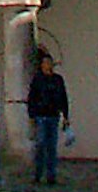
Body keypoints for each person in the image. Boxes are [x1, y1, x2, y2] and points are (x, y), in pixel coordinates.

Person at [27, 54, 70, 185]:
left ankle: (51, 175)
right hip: (41, 116)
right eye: (45, 62)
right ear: (42, 65)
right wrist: (32, 115)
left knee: (52, 147)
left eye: (50, 62)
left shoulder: (57, 80)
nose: (48, 65)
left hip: (53, 116)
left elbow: (63, 97)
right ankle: (38, 174)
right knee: (40, 145)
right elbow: (31, 98)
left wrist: (66, 116)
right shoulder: (37, 80)